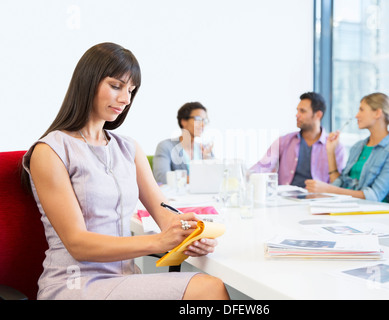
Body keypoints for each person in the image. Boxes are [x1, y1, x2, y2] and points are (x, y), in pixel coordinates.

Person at [21, 42, 229, 300]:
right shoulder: (51, 150)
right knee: (208, 288)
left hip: (124, 280)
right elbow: (77, 244)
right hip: (74, 284)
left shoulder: (128, 148)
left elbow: (166, 214)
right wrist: (158, 242)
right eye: (116, 86)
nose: (125, 99)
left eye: (131, 90)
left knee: (208, 285)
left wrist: (192, 234)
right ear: (88, 82)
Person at [305, 92, 389, 202]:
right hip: (345, 205)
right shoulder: (358, 147)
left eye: (361, 110)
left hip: (369, 211)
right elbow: (339, 184)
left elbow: (375, 196)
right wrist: (330, 151)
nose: (357, 115)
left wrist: (329, 190)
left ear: (377, 113)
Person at [249, 92, 346, 188]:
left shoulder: (336, 148)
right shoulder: (284, 141)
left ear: (318, 115)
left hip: (318, 200)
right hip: (286, 199)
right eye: (297, 111)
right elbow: (263, 166)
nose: (297, 115)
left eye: (302, 111)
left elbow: (337, 183)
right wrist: (244, 175)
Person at [153, 102, 213, 184]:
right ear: (184, 121)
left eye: (204, 120)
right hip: (178, 196)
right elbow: (162, 177)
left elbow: (217, 175)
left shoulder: (204, 149)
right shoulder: (165, 146)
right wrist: (199, 178)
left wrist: (207, 160)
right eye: (198, 119)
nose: (203, 124)